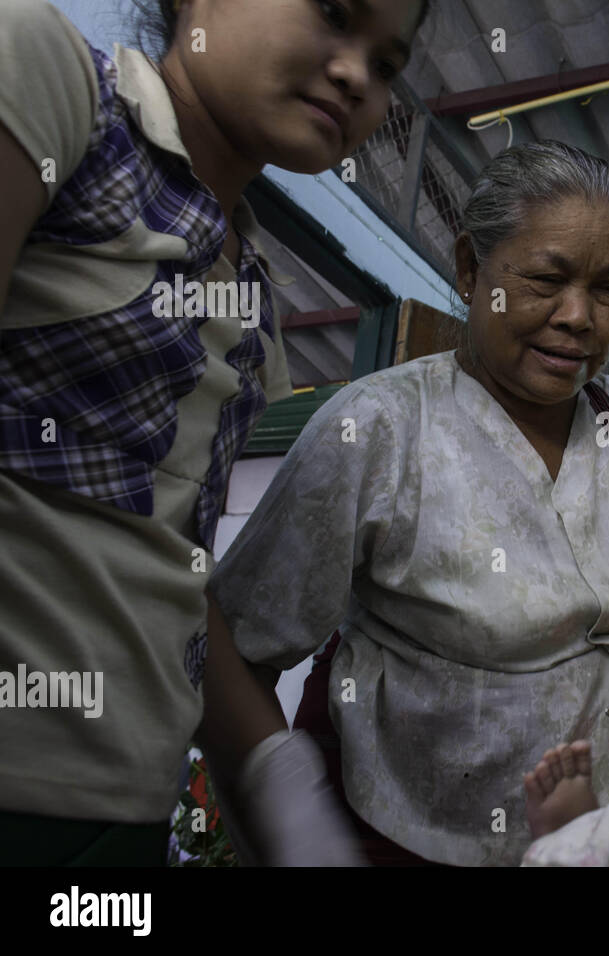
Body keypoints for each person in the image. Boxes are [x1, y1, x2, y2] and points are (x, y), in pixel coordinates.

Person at [198, 140, 609, 866]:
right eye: (547, 279)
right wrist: (282, 820)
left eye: (607, 288)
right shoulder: (379, 427)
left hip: (593, 835)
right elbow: (235, 644)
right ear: (471, 269)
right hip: (393, 832)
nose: (579, 316)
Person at [0, 0, 430, 866]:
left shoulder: (251, 303)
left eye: (387, 65)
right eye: (334, 13)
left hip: (120, 817)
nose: (355, 74)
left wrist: (270, 768)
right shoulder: (50, 82)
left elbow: (165, 567)